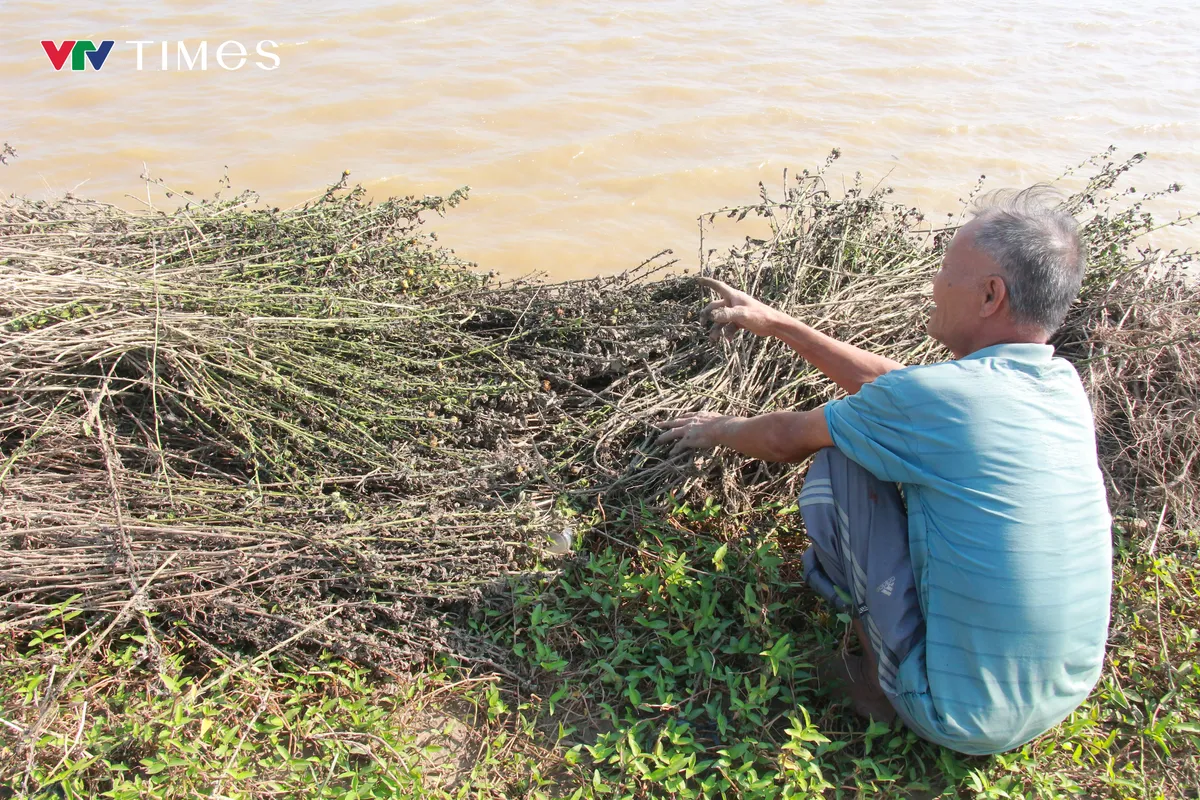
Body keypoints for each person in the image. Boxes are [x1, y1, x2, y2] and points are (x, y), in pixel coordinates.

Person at [656, 188, 1112, 755]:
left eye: (946, 272)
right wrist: (776, 323)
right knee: (870, 431)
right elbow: (899, 390)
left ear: (990, 294)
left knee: (840, 458)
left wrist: (717, 430)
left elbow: (785, 438)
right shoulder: (1061, 387)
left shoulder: (941, 400)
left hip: (954, 712)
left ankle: (878, 687)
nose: (934, 285)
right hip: (1060, 696)